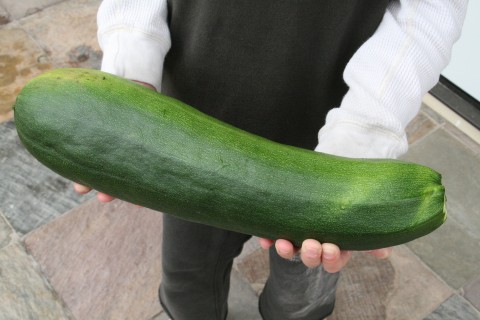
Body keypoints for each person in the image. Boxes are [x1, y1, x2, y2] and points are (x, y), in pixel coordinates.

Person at [74, 1, 467, 319]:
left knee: (303, 288)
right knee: (187, 275)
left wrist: (359, 141)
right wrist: (132, 65)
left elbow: (430, 10)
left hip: (326, 141)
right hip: (190, 134)